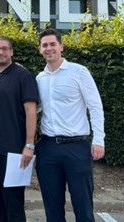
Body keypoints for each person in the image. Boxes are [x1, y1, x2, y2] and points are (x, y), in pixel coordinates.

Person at [35, 28, 105, 222]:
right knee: (52, 208)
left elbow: (95, 106)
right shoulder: (39, 79)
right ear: (40, 49)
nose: (49, 48)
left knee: (83, 207)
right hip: (48, 148)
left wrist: (99, 140)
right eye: (44, 45)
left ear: (61, 47)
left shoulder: (79, 72)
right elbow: (36, 108)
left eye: (52, 44)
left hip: (77, 147)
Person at [0, 36, 39, 222]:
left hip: (15, 151)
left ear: (11, 52)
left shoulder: (23, 76)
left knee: (14, 205)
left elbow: (31, 111)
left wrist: (29, 145)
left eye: (5, 48)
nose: (1, 52)